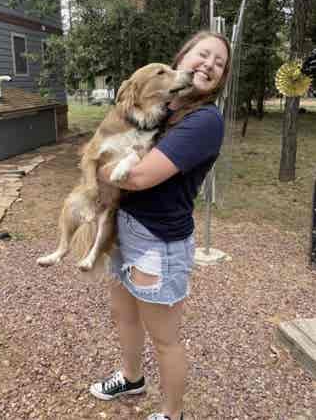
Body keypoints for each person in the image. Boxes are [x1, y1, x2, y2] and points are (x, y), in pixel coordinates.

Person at [89, 30, 232, 420]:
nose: (209, 65)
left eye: (219, 64)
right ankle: (132, 378)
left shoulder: (204, 120)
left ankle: (173, 414)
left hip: (158, 243)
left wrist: (95, 166)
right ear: (182, 58)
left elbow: (137, 177)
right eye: (203, 55)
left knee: (165, 338)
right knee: (125, 314)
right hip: (126, 226)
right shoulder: (164, 108)